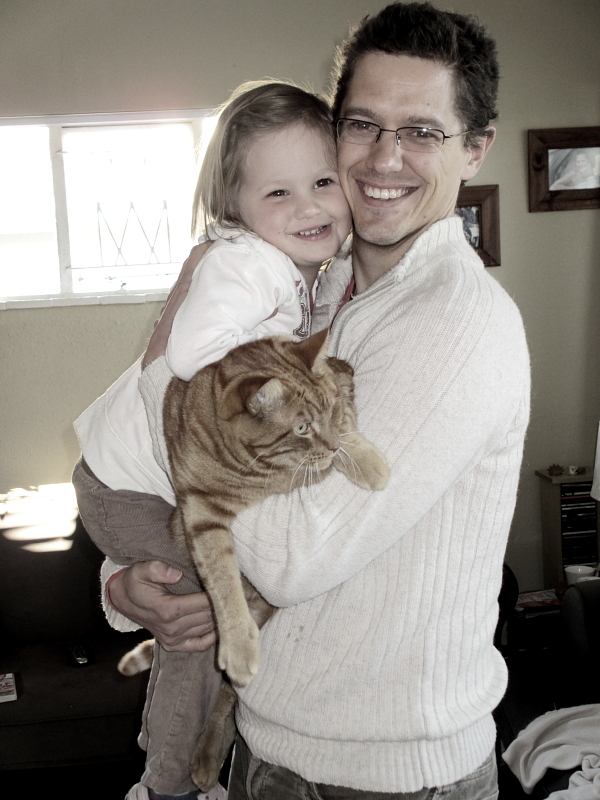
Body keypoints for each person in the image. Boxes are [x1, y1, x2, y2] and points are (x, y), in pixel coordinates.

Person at [108, 2, 531, 798]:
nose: (384, 158)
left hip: (384, 778)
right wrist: (129, 581)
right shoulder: (308, 290)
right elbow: (182, 468)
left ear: (476, 148)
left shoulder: (456, 322)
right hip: (270, 746)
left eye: (422, 131)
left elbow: (294, 556)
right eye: (362, 124)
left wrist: (167, 374)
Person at [72, 81, 352, 800]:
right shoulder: (248, 264)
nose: (310, 207)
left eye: (323, 182)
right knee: (203, 626)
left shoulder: (300, 273)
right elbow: (192, 356)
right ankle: (169, 784)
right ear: (236, 206)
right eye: (279, 193)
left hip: (133, 481)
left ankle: (169, 761)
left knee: (209, 615)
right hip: (127, 487)